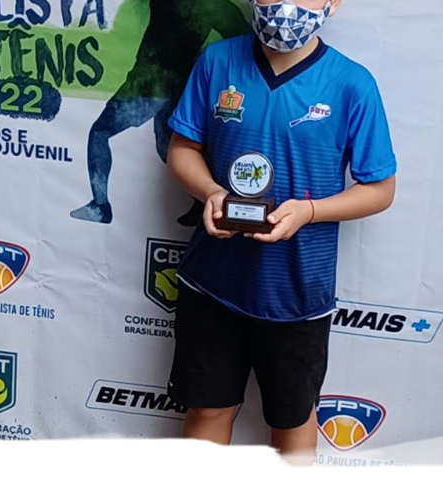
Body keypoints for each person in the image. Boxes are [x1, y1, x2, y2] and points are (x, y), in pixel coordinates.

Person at [166, 0, 396, 464]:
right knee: (207, 410)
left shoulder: (352, 83)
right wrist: (211, 192)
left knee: (292, 419)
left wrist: (309, 212)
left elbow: (380, 188)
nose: (286, 6)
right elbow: (182, 149)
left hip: (297, 294)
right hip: (212, 283)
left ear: (332, 4)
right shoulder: (218, 61)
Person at [69, 0, 250, 225]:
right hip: (177, 87)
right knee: (170, 150)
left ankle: (100, 206)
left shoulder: (215, 7)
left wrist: (209, 65)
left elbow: (245, 43)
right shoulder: (219, 6)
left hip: (148, 84)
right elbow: (246, 42)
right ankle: (202, 205)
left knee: (100, 133)